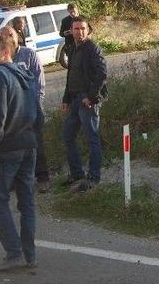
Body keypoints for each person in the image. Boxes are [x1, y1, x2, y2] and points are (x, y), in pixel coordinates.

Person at [0, 36, 38, 271]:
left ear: (6, 51)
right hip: (29, 143)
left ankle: (15, 253)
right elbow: (37, 110)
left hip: (9, 147)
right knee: (26, 201)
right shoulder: (24, 73)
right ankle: (29, 254)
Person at [0, 26, 51, 193]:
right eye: (3, 35)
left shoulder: (28, 54)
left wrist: (35, 107)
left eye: (10, 34)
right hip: (11, 113)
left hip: (31, 109)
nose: (8, 37)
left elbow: (39, 83)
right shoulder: (1, 59)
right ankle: (16, 179)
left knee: (36, 143)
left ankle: (42, 177)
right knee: (12, 145)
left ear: (17, 36)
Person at [61, 16, 108, 192]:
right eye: (76, 28)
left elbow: (102, 74)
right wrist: (66, 99)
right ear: (71, 31)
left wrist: (92, 97)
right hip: (74, 99)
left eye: (82, 28)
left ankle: (93, 178)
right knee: (67, 135)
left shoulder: (92, 49)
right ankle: (77, 174)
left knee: (92, 139)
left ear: (88, 30)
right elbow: (70, 75)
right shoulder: (73, 49)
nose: (79, 32)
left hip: (87, 101)